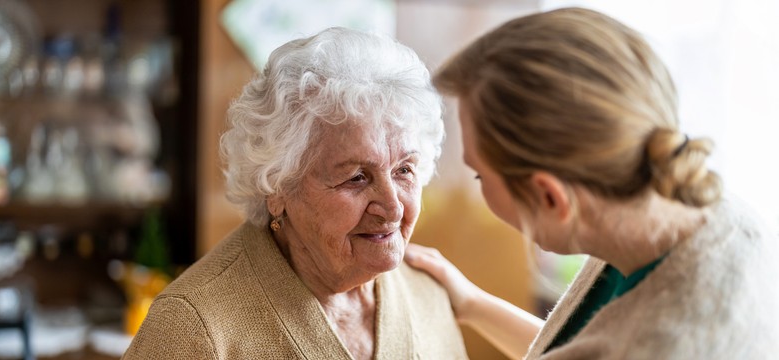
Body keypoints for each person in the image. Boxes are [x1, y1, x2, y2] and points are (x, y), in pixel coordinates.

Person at [404, 7, 779, 359]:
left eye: (480, 175)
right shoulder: (710, 217)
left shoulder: (666, 344)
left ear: (550, 196)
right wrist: (471, 304)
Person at [123, 27, 467, 359]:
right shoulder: (192, 328)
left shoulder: (428, 292)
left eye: (403, 170)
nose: (392, 208)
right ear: (276, 185)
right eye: (357, 178)